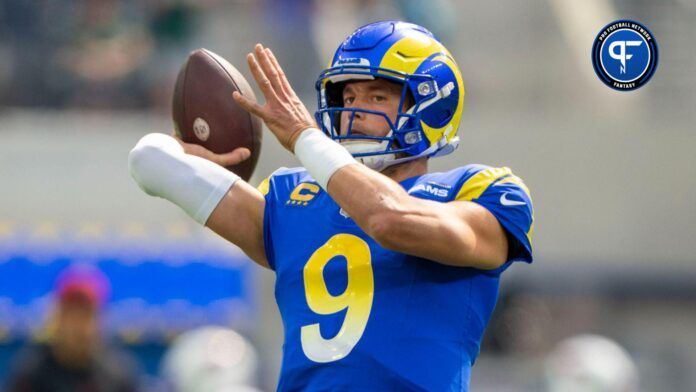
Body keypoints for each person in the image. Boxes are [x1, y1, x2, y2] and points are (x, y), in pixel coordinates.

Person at [129, 21, 534, 391]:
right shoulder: (293, 197)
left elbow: (388, 218)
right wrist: (188, 148)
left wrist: (306, 139)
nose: (353, 112)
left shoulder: (480, 189)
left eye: (377, 96)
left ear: (431, 106)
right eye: (349, 95)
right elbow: (149, 161)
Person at [5, 265, 139, 392]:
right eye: (72, 314)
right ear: (58, 316)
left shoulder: (118, 373)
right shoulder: (30, 372)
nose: (78, 325)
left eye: (86, 315)